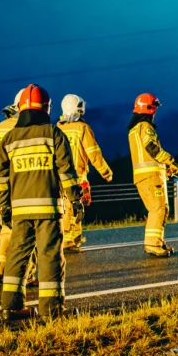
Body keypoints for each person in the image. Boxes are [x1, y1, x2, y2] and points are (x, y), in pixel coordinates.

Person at [0, 83, 82, 320]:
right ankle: (51, 311)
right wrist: (77, 200)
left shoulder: (10, 139)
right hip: (49, 210)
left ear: (20, 108)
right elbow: (67, 172)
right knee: (50, 255)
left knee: (17, 256)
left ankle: (10, 308)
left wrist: (3, 206)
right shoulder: (54, 134)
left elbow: (0, 178)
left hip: (19, 211)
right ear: (46, 108)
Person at [0, 89, 37, 283]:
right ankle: (28, 274)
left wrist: (0, 176)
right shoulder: (26, 127)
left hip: (2, 187)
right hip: (24, 186)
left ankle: (0, 264)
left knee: (7, 225)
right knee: (28, 229)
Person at [57, 94, 113, 252]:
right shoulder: (82, 128)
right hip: (76, 176)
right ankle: (68, 241)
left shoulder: (57, 128)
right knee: (73, 206)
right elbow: (93, 153)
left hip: (57, 176)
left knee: (67, 207)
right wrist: (106, 172)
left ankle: (73, 238)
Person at [128, 92, 178, 257]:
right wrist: (169, 160)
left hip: (144, 177)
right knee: (158, 209)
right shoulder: (145, 127)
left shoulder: (134, 130)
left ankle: (156, 242)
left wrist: (165, 168)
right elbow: (152, 148)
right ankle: (153, 245)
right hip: (151, 177)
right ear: (149, 109)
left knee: (158, 209)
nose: (156, 111)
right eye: (154, 107)